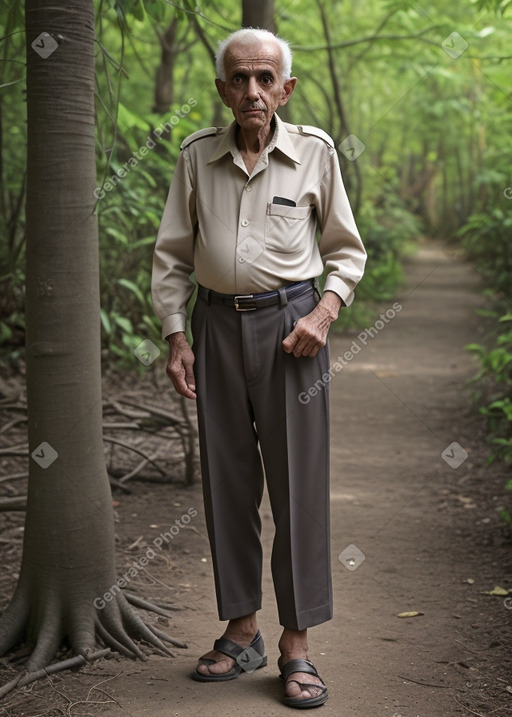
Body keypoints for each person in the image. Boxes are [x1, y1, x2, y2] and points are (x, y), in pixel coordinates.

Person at [152, 27, 366, 709]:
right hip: (213, 326)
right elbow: (171, 258)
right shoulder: (196, 158)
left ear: (286, 88)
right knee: (228, 483)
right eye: (239, 78)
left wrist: (325, 313)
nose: (252, 91)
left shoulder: (316, 154)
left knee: (297, 487)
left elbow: (348, 251)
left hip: (293, 330)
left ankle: (296, 645)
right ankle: (241, 627)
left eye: (265, 78)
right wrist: (176, 335)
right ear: (222, 89)